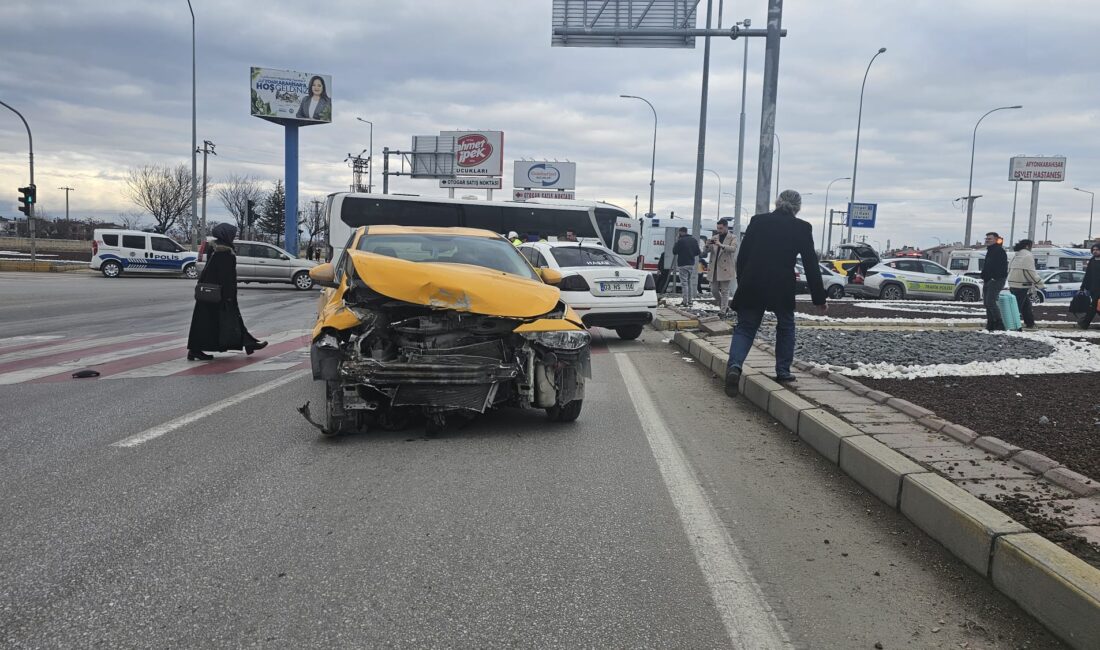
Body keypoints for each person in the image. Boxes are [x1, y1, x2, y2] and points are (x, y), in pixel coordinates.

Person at [725, 190, 827, 395]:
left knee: (745, 328)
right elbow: (810, 264)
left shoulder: (758, 221)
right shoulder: (802, 228)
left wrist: (744, 280)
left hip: (753, 282)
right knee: (786, 326)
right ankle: (783, 371)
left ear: (777, 202)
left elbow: (743, 255)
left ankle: (734, 367)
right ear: (798, 207)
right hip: (782, 286)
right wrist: (819, 298)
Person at [186, 224, 268, 361]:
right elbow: (226, 277)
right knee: (228, 320)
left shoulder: (214, 248)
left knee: (205, 322)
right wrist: (230, 296)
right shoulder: (225, 252)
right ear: (226, 235)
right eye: (232, 234)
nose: (234, 237)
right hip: (219, 294)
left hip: (208, 292)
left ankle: (249, 344)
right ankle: (248, 344)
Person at [1007, 239, 1043, 330]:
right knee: (1017, 307)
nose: (1032, 248)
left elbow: (1009, 268)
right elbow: (1030, 272)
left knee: (1026, 306)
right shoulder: (1028, 255)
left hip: (1012, 283)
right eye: (1032, 245)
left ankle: (1030, 323)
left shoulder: (1016, 255)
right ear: (1027, 246)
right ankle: (1013, 326)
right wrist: (1040, 283)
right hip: (1022, 284)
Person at [707, 219, 737, 315]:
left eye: (721, 228)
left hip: (725, 268)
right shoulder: (715, 237)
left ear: (726, 227)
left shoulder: (732, 237)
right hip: (714, 268)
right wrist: (707, 245)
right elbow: (708, 251)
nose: (719, 230)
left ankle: (723, 311)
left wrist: (721, 245)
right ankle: (724, 306)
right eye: (718, 228)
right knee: (714, 290)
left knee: (724, 290)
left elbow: (733, 249)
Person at [980, 231, 1009, 331]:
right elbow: (988, 266)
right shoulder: (990, 250)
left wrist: (994, 278)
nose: (987, 240)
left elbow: (1001, 268)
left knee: (991, 302)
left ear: (996, 240)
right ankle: (990, 324)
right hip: (988, 280)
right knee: (987, 303)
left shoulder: (999, 251)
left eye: (989, 239)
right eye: (986, 239)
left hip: (996, 280)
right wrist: (984, 275)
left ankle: (999, 324)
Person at [672, 226, 701, 307]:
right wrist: (690, 254)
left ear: (681, 232)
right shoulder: (693, 240)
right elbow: (698, 252)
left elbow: (674, 251)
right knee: (689, 282)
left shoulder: (680, 241)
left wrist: (677, 241)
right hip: (691, 264)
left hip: (682, 264)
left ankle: (685, 301)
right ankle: (690, 301)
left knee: (684, 283)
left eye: (679, 232)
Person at [1077, 243, 1100, 329]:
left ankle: (1084, 324)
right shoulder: (1092, 261)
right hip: (1093, 289)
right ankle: (1084, 324)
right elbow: (1087, 275)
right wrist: (1082, 287)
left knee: (1093, 306)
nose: (1095, 251)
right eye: (1093, 250)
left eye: (1097, 249)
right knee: (1096, 307)